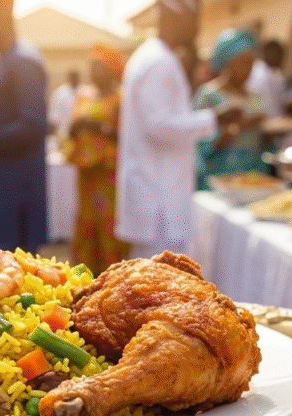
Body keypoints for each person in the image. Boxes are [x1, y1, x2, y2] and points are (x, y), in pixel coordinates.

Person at [116, 0, 242, 258]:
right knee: (154, 285)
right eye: (193, 20)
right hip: (159, 198)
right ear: (173, 18)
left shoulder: (157, 56)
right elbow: (159, 126)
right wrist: (215, 118)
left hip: (160, 191)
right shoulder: (158, 61)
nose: (196, 28)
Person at [0, 0, 49, 253]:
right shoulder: (3, 60)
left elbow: (33, 126)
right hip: (0, 197)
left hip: (16, 202)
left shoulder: (23, 61)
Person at [65, 44, 129, 275]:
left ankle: (111, 277)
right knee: (86, 225)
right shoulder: (83, 96)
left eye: (99, 67)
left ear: (112, 70)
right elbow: (72, 129)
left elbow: (128, 136)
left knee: (108, 227)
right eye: (91, 66)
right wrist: (77, 126)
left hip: (108, 173)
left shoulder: (121, 98)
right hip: (86, 172)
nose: (93, 72)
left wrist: (98, 126)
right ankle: (86, 278)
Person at [193, 28, 269, 191]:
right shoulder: (208, 95)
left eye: (251, 63)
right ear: (226, 60)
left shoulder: (256, 96)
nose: (248, 68)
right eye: (243, 62)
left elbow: (264, 142)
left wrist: (266, 132)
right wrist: (238, 127)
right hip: (218, 179)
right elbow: (197, 143)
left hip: (253, 178)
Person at [248, 39, 287, 118]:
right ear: (267, 52)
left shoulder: (274, 74)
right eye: (279, 54)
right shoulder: (259, 72)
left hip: (274, 122)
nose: (281, 58)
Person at [49, 69, 81, 144]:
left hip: (81, 138)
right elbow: (54, 119)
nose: (74, 79)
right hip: (64, 137)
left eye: (75, 77)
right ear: (69, 78)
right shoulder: (60, 93)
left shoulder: (85, 91)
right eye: (72, 77)